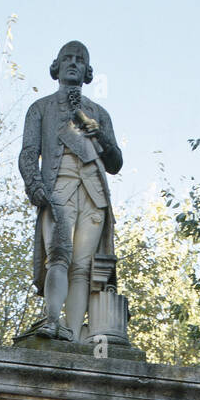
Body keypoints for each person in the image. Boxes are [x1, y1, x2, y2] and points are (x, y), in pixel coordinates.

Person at [18, 40, 123, 342]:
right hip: (59, 186)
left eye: (80, 59)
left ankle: (73, 335)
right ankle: (52, 321)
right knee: (59, 255)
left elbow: (115, 162)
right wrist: (35, 185)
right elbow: (28, 153)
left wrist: (98, 134)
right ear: (57, 67)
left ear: (88, 71)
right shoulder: (41, 108)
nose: (74, 63)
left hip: (93, 192)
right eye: (68, 59)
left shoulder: (98, 113)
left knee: (83, 267)